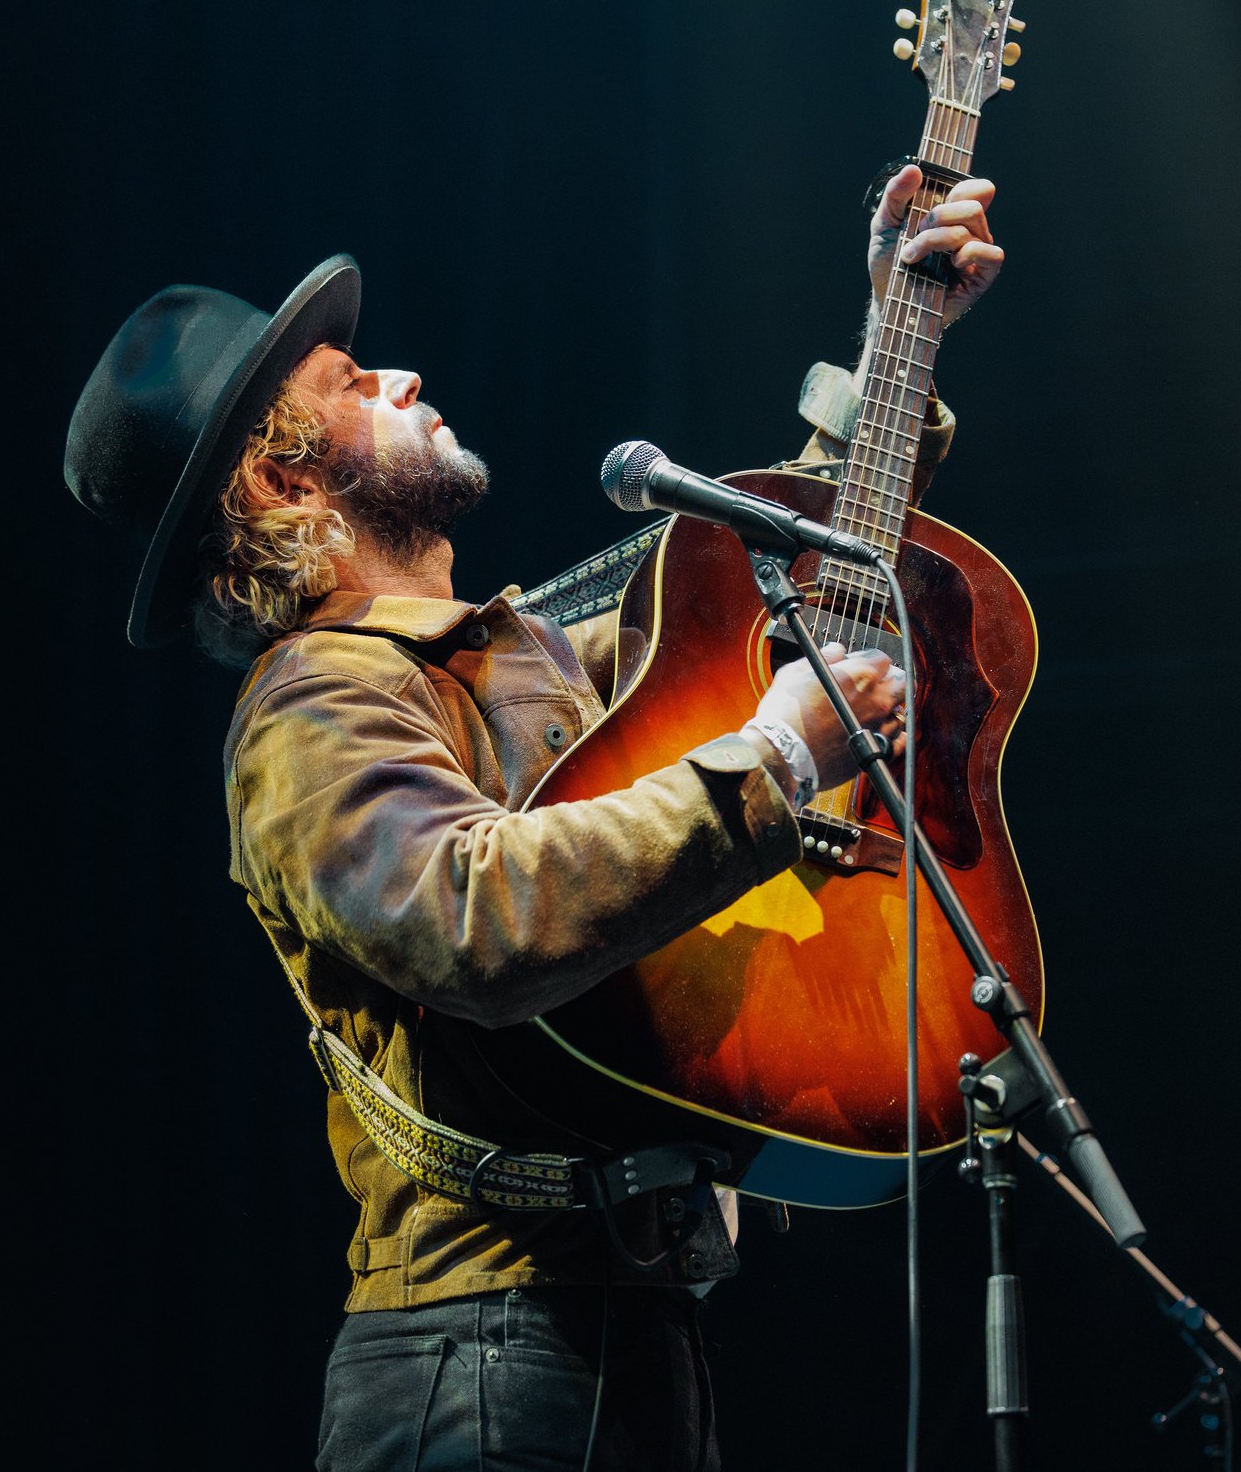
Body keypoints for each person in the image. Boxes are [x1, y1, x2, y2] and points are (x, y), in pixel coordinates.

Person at [64, 166, 1002, 1470]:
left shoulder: (538, 661)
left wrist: (899, 334)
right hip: (475, 1361)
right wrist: (784, 751)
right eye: (347, 383)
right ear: (281, 490)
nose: (396, 376)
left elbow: (788, 597)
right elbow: (472, 918)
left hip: (629, 1334)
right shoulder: (311, 705)